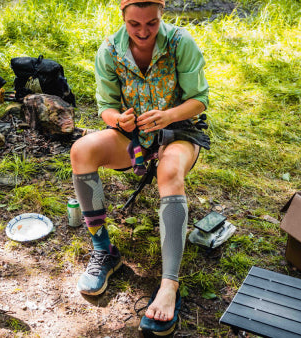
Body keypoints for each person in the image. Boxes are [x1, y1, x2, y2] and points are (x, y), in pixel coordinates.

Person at [70, 0, 210, 334]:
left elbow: (200, 100)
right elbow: (106, 106)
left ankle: (169, 284)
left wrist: (169, 115)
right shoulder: (109, 50)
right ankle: (104, 251)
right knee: (81, 151)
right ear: (123, 17)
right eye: (135, 24)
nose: (144, 32)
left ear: (162, 15)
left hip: (180, 130)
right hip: (131, 135)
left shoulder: (181, 42)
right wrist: (117, 118)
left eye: (152, 23)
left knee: (169, 172)